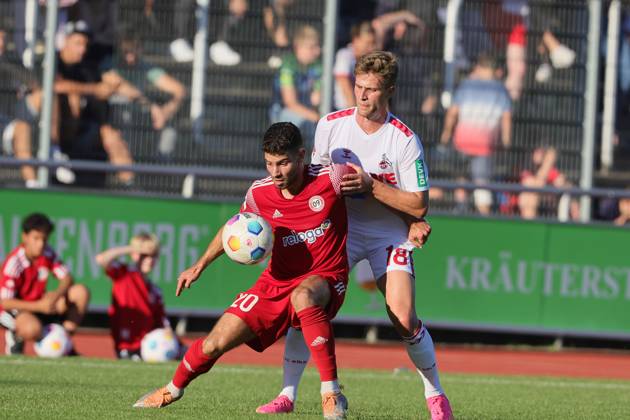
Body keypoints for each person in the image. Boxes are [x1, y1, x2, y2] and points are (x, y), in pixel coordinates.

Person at [256, 51, 453, 420]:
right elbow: (313, 179)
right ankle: (287, 394)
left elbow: (419, 203)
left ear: (389, 91)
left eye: (371, 89)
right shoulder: (331, 124)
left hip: (388, 235)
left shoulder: (404, 140)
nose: (361, 96)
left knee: (404, 317)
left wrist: (374, 188)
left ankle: (436, 395)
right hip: (339, 231)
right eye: (358, 86)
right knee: (305, 304)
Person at [133, 122, 352, 419]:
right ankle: (172, 389)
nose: (275, 172)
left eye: (283, 163)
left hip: (325, 277)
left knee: (303, 296)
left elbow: (376, 188)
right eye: (269, 163)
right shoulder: (260, 193)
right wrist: (199, 265)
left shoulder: (333, 178)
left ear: (301, 156)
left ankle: (331, 393)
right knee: (215, 342)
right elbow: (235, 227)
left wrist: (412, 220)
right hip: (275, 282)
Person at [0, 213, 90, 355]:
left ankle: (62, 340)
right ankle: (16, 336)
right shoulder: (14, 263)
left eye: (44, 239)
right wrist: (39, 306)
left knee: (80, 292)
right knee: (32, 329)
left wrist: (55, 295)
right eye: (36, 238)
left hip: (39, 306)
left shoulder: (47, 253)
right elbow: (5, 303)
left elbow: (67, 278)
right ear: (25, 237)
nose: (41, 244)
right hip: (13, 311)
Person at [440, 53, 512, 215]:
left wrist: (445, 135)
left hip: (461, 141)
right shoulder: (501, 90)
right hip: (485, 145)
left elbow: (453, 112)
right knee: (482, 184)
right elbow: (506, 118)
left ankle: (460, 209)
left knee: (461, 178)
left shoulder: (467, 85)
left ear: (481, 67)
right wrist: (506, 142)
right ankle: (484, 217)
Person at [95, 232, 178, 360]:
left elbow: (162, 322)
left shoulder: (155, 291)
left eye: (153, 256)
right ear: (134, 255)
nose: (150, 260)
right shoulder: (124, 273)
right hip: (127, 347)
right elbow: (101, 259)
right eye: (144, 255)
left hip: (149, 346)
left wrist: (173, 339)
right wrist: (132, 248)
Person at [114, 33, 187, 159]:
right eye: (126, 53)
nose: (130, 58)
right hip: (116, 116)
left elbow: (179, 90)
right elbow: (124, 89)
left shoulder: (144, 67)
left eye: (134, 52)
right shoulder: (110, 65)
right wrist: (152, 106)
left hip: (141, 115)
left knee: (170, 123)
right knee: (124, 113)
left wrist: (166, 111)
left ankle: (161, 166)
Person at [270, 25, 322, 148]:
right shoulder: (288, 65)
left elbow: (317, 99)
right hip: (284, 113)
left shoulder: (318, 66)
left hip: (311, 112)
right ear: (298, 47)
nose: (317, 51)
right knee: (305, 125)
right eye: (312, 47)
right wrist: (317, 118)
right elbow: (290, 102)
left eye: (317, 46)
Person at [333, 22, 377, 110]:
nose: (372, 48)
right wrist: (355, 111)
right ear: (356, 40)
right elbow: (344, 83)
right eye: (368, 43)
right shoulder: (344, 55)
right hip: (342, 111)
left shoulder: (368, 60)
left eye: (373, 43)